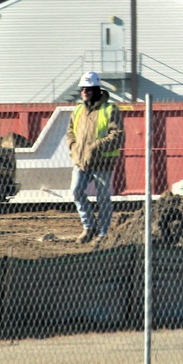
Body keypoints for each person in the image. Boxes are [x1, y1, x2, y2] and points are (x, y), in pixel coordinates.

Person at [67, 71, 124, 244]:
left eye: (89, 89)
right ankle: (89, 226)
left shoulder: (109, 110)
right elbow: (70, 132)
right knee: (76, 191)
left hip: (102, 162)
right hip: (81, 161)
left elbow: (118, 135)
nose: (85, 91)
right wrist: (74, 147)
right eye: (83, 88)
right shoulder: (78, 110)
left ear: (97, 90)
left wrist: (96, 147)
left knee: (103, 198)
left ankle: (103, 232)